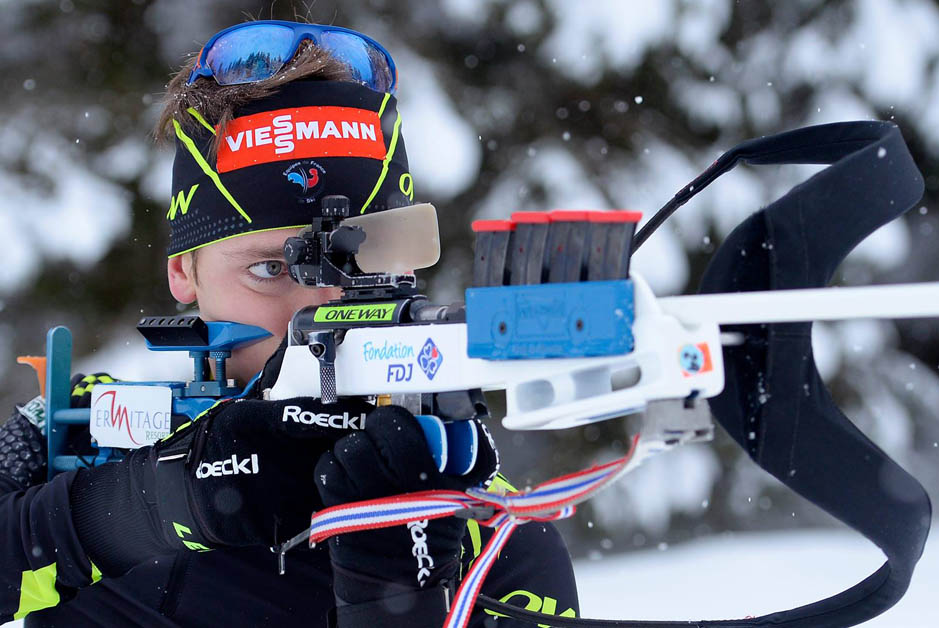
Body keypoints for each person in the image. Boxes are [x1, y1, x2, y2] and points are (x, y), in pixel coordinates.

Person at [0, 20, 578, 627]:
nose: (326, 305)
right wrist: (157, 505)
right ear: (183, 273)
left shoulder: (493, 526)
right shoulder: (88, 433)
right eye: (273, 267)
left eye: (366, 261)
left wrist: (394, 603)